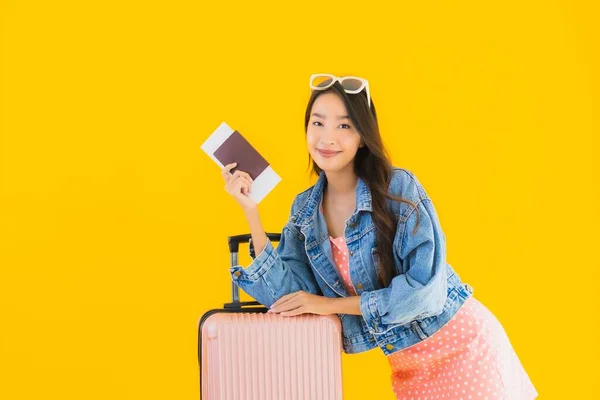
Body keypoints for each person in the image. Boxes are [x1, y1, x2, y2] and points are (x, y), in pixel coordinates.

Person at [221, 73, 538, 400]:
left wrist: (329, 304)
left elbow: (423, 294)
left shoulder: (397, 189)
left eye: (344, 126)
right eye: (318, 123)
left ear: (362, 136)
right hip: (409, 368)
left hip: (464, 347)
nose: (327, 138)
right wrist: (251, 211)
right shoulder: (305, 211)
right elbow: (288, 299)